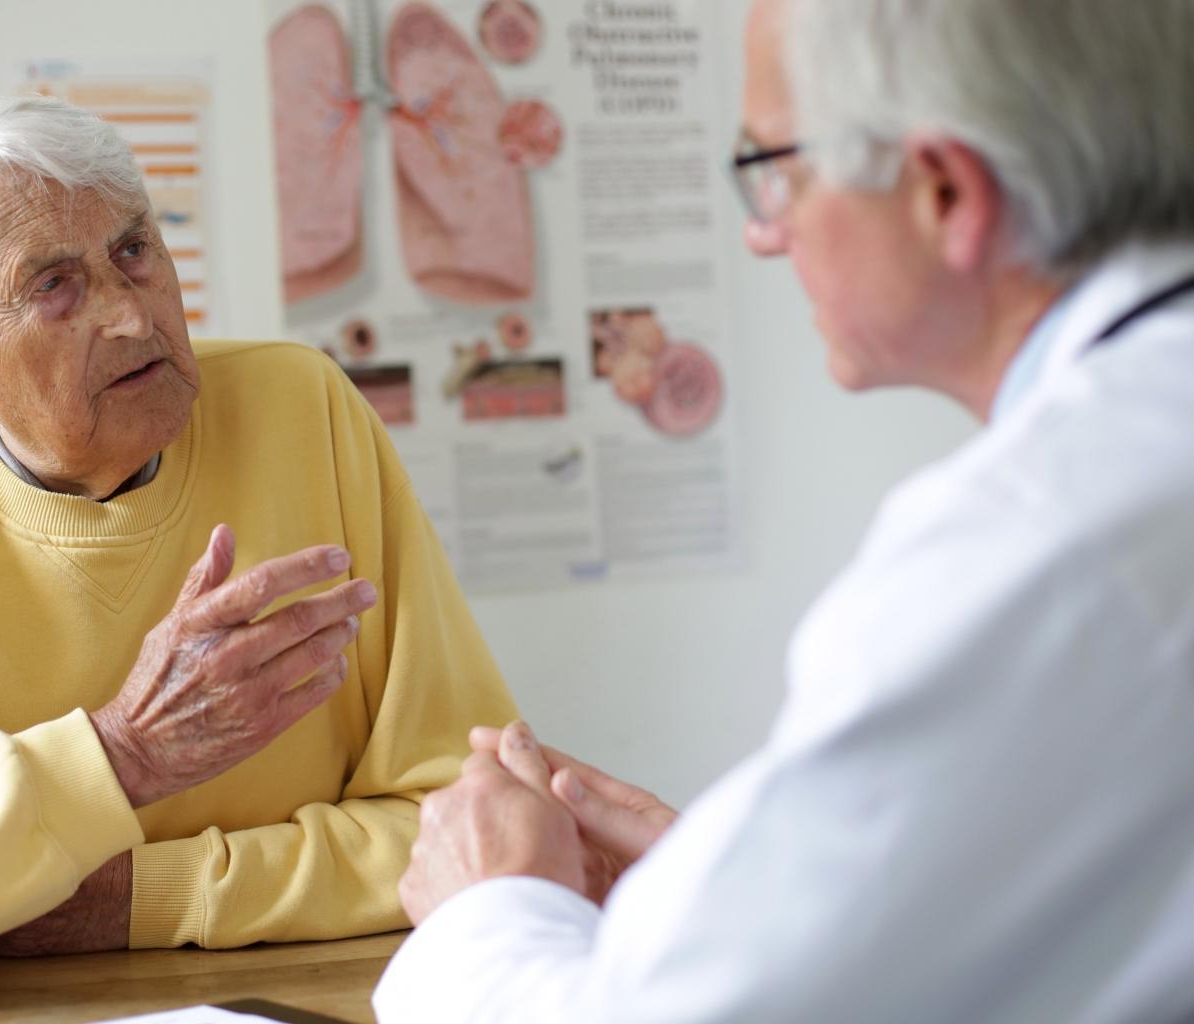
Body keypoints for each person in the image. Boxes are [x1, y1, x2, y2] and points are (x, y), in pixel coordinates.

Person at [375, 0, 1194, 1019]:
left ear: (946, 192)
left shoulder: (1039, 536)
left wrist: (487, 907)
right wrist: (747, 899)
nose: (764, 233)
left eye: (775, 169)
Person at [0, 95, 516, 1011]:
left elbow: (478, 819)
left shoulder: (308, 411)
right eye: (53, 285)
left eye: (134, 251)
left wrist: (148, 894)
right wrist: (117, 755)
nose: (128, 317)